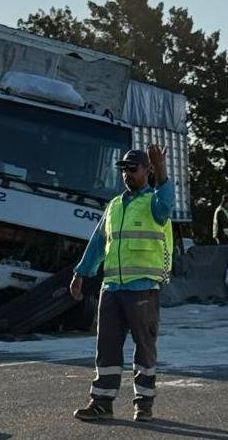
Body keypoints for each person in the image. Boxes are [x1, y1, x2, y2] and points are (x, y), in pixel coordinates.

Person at [70, 144, 175, 423]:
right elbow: (97, 243)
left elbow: (167, 202)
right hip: (113, 289)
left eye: (133, 168)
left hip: (142, 288)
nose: (127, 174)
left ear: (146, 171)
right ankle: (102, 402)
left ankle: (144, 404)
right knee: (107, 347)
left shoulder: (154, 203)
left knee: (144, 347)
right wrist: (81, 273)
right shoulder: (115, 205)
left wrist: (161, 169)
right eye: (123, 170)